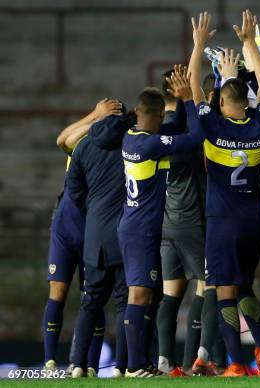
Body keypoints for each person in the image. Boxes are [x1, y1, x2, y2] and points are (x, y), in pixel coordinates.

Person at [186, 10, 260, 377]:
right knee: (244, 289)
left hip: (221, 221)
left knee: (223, 291)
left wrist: (199, 45)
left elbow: (193, 82)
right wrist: (250, 43)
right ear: (246, 103)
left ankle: (237, 363)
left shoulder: (211, 125)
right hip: (253, 220)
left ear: (221, 103)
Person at [116, 68, 206, 378]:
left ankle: (141, 362)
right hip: (140, 229)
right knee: (139, 295)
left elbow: (177, 131)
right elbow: (195, 137)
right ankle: (133, 366)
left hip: (136, 225)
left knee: (148, 296)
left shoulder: (132, 137)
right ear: (155, 115)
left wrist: (179, 105)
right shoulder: (149, 145)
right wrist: (189, 99)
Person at [43, 99, 119, 374]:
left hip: (91, 230)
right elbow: (62, 139)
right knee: (58, 292)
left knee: (92, 297)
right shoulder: (83, 144)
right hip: (66, 228)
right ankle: (50, 362)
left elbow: (62, 140)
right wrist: (95, 116)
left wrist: (96, 117)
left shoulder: (116, 150)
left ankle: (90, 366)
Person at [155, 69, 214, 377]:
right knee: (208, 287)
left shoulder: (155, 132)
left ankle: (164, 361)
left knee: (170, 294)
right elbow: (197, 136)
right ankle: (196, 361)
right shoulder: (178, 132)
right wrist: (189, 101)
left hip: (166, 222)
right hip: (192, 220)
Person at [65, 100, 130, 378]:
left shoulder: (83, 148)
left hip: (95, 235)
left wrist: (93, 211)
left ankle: (77, 364)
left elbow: (74, 192)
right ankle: (124, 366)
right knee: (126, 303)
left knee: (91, 302)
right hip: (125, 235)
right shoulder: (133, 143)